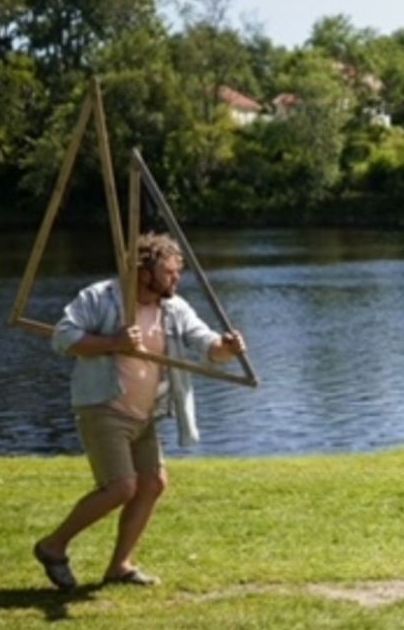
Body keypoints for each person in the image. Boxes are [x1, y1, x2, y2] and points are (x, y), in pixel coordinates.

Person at [32, 232, 245, 591]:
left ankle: (120, 566)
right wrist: (114, 343)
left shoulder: (173, 308)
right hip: (103, 406)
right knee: (120, 487)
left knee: (152, 483)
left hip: (146, 413)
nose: (177, 279)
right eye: (170, 273)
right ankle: (52, 546)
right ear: (145, 273)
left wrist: (227, 347)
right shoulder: (100, 297)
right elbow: (63, 338)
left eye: (178, 272)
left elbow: (207, 346)